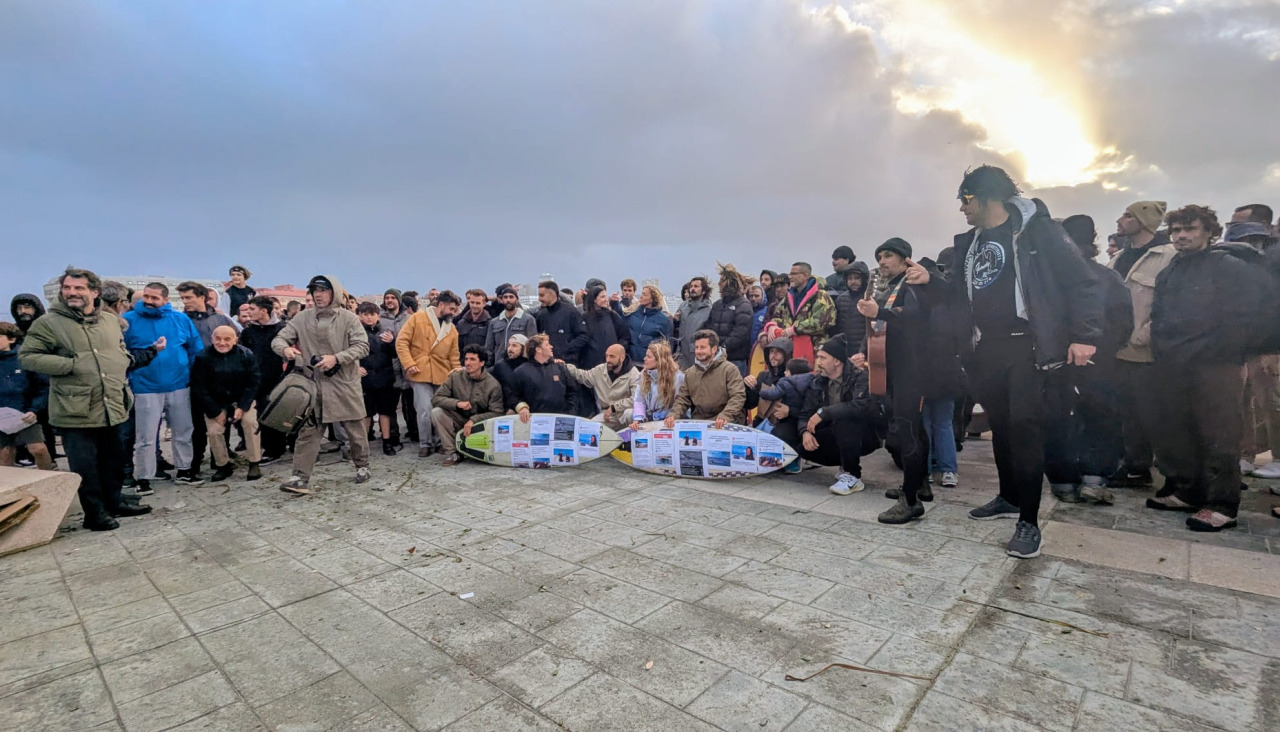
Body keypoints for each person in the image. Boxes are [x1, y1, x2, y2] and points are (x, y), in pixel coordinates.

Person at [941, 165, 1102, 559]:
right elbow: (960, 293)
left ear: (987, 195)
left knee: (1026, 428)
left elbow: (1082, 282)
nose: (962, 208)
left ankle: (1029, 521)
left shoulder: (1039, 232)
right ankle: (1009, 497)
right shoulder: (970, 242)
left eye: (966, 199)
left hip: (1027, 346)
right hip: (986, 348)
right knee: (1000, 427)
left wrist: (1084, 336)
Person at [1146, 206, 1276, 531]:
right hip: (1175, 363)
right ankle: (1188, 491)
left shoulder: (1230, 267)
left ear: (1209, 231)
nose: (1181, 236)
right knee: (1180, 430)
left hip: (1216, 364)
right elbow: (1159, 316)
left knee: (1219, 434)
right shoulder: (1172, 270)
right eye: (1176, 230)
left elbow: (1249, 316)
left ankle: (1222, 504)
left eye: (1189, 228)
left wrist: (1223, 350)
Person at [19, 268, 155, 530]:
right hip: (75, 408)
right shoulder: (49, 323)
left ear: (94, 292)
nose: (72, 292)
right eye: (67, 288)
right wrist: (70, 364)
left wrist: (122, 363)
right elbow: (28, 357)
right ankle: (94, 514)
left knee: (113, 461)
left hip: (112, 402)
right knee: (86, 467)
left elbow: (119, 351)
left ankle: (114, 502)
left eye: (79, 288)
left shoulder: (109, 321)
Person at [1045, 215, 1133, 504]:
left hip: (1053, 363)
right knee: (1100, 419)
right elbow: (1123, 324)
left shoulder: (1048, 280)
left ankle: (1062, 482)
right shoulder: (1108, 277)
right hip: (1100, 362)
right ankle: (1093, 479)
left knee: (1058, 419)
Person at [855, 238, 935, 522]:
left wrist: (879, 311)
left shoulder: (912, 284)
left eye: (888, 255)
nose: (882, 261)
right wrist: (864, 352)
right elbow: (879, 328)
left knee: (907, 430)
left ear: (905, 259)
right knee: (914, 428)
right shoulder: (890, 288)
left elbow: (914, 318)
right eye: (879, 256)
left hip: (912, 368)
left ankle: (910, 500)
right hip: (894, 367)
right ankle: (919, 484)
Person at [272, 275, 372, 493]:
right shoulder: (302, 318)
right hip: (313, 385)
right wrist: (285, 349)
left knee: (355, 429)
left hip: (344, 382)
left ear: (334, 293)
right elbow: (279, 339)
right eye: (315, 291)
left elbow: (362, 346)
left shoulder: (349, 318)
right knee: (308, 432)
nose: (318, 295)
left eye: (323, 290)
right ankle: (299, 478)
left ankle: (362, 465)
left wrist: (337, 358)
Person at [1107, 201, 1175, 488]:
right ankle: (1135, 467)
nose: (1120, 220)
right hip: (1117, 349)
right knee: (1126, 412)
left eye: (1128, 215)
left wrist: (1144, 334)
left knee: (1153, 414)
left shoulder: (1167, 255)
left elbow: (1171, 304)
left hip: (1147, 352)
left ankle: (1174, 476)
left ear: (1144, 221)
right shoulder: (1119, 257)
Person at [123, 282, 205, 492]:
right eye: (147, 297)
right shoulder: (128, 320)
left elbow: (195, 348)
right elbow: (121, 351)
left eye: (155, 298)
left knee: (183, 430)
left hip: (178, 384)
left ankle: (184, 470)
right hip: (145, 387)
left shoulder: (180, 319)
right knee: (146, 436)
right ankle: (144, 477)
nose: (149, 301)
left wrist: (190, 374)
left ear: (165, 300)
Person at [799, 334, 881, 495]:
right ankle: (844, 464)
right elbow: (805, 413)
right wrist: (804, 432)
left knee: (845, 420)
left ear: (837, 361)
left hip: (865, 434)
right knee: (801, 446)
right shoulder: (818, 382)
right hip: (833, 432)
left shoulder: (860, 377)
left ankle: (853, 475)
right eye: (818, 357)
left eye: (823, 358)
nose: (818, 362)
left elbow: (860, 406)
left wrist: (824, 412)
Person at [177, 281, 239, 475]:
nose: (185, 302)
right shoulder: (180, 320)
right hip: (193, 378)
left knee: (221, 421)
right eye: (182, 298)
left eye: (189, 297)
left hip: (220, 378)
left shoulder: (220, 319)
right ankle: (194, 462)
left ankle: (219, 461)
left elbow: (235, 344)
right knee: (196, 424)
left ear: (202, 297)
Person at [190, 325, 263, 482]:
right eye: (218, 339)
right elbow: (199, 387)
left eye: (227, 339)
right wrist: (215, 411)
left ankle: (254, 462)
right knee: (214, 431)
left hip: (241, 398)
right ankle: (222, 465)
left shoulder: (246, 355)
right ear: (212, 339)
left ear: (235, 340)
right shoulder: (203, 357)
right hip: (215, 401)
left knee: (250, 423)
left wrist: (242, 406)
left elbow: (254, 382)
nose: (222, 343)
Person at [396, 290, 462, 457]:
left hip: (443, 373)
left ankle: (441, 442)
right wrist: (409, 363)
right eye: (452, 309)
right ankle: (425, 443)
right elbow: (401, 342)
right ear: (441, 305)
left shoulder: (452, 329)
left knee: (440, 410)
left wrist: (456, 373)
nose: (454, 313)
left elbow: (454, 355)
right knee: (424, 409)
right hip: (420, 371)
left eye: (455, 310)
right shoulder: (417, 318)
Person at [431, 344, 505, 465]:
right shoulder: (455, 377)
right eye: (466, 359)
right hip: (459, 419)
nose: (468, 363)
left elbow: (497, 412)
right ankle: (453, 452)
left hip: (480, 425)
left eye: (472, 359)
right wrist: (457, 403)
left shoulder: (493, 384)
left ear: (482, 363)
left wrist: (473, 420)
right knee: (437, 412)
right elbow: (436, 399)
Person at [664, 330, 746, 428]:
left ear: (714, 349)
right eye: (697, 347)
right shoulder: (690, 373)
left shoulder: (730, 370)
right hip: (699, 422)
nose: (698, 351)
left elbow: (738, 396)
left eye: (702, 347)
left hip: (726, 423)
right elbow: (683, 398)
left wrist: (726, 415)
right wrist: (674, 414)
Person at [239, 295, 287, 463]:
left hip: (279, 379)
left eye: (252, 309)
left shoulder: (282, 329)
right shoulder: (248, 332)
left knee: (280, 413)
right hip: (257, 380)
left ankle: (283, 446)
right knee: (262, 414)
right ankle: (271, 448)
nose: (249, 313)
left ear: (264, 311)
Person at [0, 322, 54, 470]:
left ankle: (47, 477)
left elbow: (42, 386)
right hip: (1, 416)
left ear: (11, 339)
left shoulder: (24, 359)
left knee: (38, 449)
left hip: (25, 413)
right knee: (5, 453)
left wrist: (35, 409)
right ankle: (10, 483)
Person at [761, 262, 836, 355]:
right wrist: (773, 325)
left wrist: (795, 329)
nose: (790, 277)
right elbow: (778, 315)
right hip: (790, 349)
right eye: (790, 274)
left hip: (815, 350)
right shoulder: (789, 297)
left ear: (805, 276)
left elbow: (821, 322)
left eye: (794, 274)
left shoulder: (821, 296)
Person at [564, 343, 640, 432]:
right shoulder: (600, 370)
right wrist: (564, 366)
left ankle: (631, 438)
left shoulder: (634, 374)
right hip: (607, 415)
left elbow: (636, 399)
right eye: (606, 356)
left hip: (624, 413)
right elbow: (583, 376)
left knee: (630, 413)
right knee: (586, 428)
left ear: (622, 358)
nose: (608, 360)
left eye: (612, 356)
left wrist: (614, 407)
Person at [356, 303, 399, 456]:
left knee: (385, 412)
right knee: (366, 413)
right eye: (365, 314)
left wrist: (392, 342)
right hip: (365, 379)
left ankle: (387, 442)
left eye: (372, 314)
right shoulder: (356, 334)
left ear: (378, 315)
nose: (369, 317)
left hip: (384, 377)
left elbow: (395, 354)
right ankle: (363, 445)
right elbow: (350, 353)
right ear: (360, 316)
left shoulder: (386, 332)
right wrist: (355, 367)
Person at [756, 357, 813, 473]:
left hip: (790, 420)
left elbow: (774, 394)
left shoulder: (786, 382)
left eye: (787, 370)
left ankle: (781, 461)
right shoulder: (812, 383)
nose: (785, 373)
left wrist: (761, 391)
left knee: (777, 434)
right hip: (805, 421)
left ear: (792, 373)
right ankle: (792, 461)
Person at [512, 334, 576, 420]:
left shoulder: (560, 368)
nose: (551, 347)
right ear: (538, 349)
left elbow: (572, 392)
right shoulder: (521, 372)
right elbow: (513, 396)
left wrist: (570, 413)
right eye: (547, 345)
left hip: (560, 420)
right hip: (533, 421)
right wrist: (522, 407)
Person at [378, 289, 412, 448]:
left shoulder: (409, 319)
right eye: (387, 298)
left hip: (408, 365)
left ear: (399, 300)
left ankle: (414, 431)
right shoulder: (380, 319)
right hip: (389, 367)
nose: (390, 300)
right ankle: (392, 436)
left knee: (410, 403)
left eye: (393, 297)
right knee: (390, 405)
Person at [706, 264, 754, 375]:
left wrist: (723, 348)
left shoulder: (743, 305)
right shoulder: (717, 305)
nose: (718, 283)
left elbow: (740, 332)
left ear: (729, 283)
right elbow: (709, 326)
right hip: (716, 357)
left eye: (721, 280)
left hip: (735, 359)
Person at [629, 341, 685, 428]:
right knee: (629, 414)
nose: (644, 359)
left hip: (669, 420)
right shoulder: (643, 374)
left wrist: (671, 416)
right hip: (649, 418)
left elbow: (679, 402)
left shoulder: (677, 377)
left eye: (648, 357)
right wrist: (638, 419)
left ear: (659, 360)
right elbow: (639, 400)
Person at [534, 280, 588, 367]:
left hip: (567, 363)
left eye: (542, 295)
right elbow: (538, 339)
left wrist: (566, 348)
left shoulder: (571, 312)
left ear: (552, 294)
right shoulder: (541, 315)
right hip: (547, 364)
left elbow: (583, 336)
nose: (539, 299)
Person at [485, 286, 538, 366]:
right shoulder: (494, 322)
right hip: (500, 365)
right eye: (505, 297)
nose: (508, 300)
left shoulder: (528, 319)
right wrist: (488, 365)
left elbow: (532, 344)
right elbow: (489, 347)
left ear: (517, 299)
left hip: (521, 365)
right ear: (502, 300)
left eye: (511, 297)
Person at [580, 286, 631, 370]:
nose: (606, 299)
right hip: (591, 365)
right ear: (594, 300)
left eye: (606, 296)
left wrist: (618, 350)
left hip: (611, 364)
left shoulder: (612, 315)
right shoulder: (584, 318)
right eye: (602, 297)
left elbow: (625, 336)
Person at [623, 285, 672, 364]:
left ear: (653, 298)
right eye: (641, 294)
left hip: (651, 362)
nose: (641, 296)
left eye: (645, 294)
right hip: (631, 360)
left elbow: (667, 343)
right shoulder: (633, 313)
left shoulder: (664, 320)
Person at [832, 260, 872, 353]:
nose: (853, 282)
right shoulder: (841, 299)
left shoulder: (873, 298)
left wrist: (864, 350)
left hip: (867, 350)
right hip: (844, 349)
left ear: (865, 279)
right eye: (850, 278)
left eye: (857, 278)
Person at [672, 276, 712, 368]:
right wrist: (675, 321)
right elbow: (676, 329)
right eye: (691, 286)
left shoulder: (709, 310)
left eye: (696, 286)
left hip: (697, 354)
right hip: (681, 354)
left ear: (703, 291)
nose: (692, 289)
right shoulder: (683, 306)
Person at [492, 334, 529, 412]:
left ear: (524, 348)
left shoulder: (530, 366)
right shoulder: (500, 366)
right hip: (505, 410)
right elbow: (496, 392)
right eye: (509, 345)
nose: (510, 349)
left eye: (514, 346)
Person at [455, 289, 492, 365]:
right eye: (472, 302)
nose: (474, 306)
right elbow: (456, 348)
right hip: (464, 365)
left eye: (478, 303)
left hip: (482, 366)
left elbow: (491, 349)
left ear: (484, 303)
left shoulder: (490, 324)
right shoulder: (461, 324)